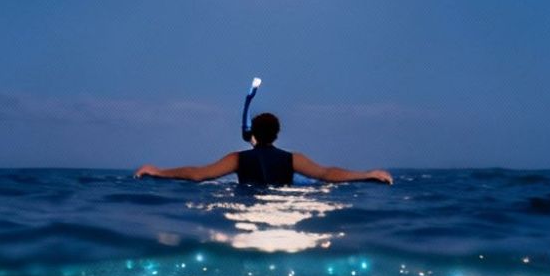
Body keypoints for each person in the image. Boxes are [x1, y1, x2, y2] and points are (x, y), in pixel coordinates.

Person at [135, 113, 393, 185]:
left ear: (253, 134)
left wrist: (158, 171)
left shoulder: (237, 158)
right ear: (277, 134)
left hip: (248, 205)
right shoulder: (293, 159)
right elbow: (327, 174)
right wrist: (367, 174)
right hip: (284, 203)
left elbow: (198, 174)